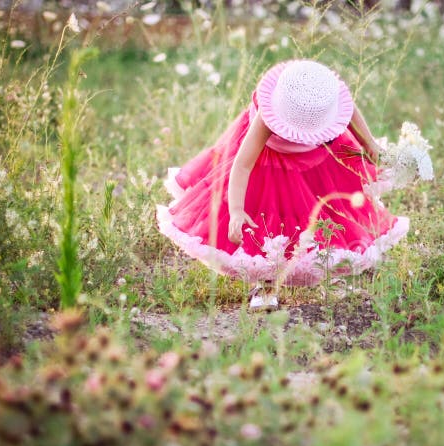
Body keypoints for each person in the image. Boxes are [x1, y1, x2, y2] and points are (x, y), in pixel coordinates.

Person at [156, 59, 409, 310]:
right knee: (268, 221)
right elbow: (242, 165)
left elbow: (350, 110)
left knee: (326, 209)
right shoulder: (268, 118)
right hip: (268, 163)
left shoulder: (326, 101)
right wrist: (235, 210)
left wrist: (370, 145)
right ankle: (266, 284)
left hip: (316, 160)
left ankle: (328, 265)